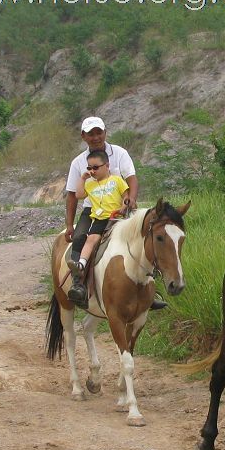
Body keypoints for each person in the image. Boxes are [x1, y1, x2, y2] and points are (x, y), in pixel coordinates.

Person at [64, 116, 166, 309]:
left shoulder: (119, 153)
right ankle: (79, 285)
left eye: (98, 132)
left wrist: (131, 199)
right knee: (79, 237)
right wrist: (69, 224)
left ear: (105, 132)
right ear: (83, 136)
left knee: (146, 239)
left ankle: (152, 289)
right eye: (91, 134)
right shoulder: (78, 163)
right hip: (93, 209)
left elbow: (131, 179)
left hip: (121, 207)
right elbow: (72, 195)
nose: (95, 137)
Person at [67, 150, 129, 305]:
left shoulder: (117, 180)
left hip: (116, 217)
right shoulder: (90, 184)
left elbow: (126, 195)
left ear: (107, 166)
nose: (92, 171)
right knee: (91, 239)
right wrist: (83, 178)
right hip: (99, 218)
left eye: (95, 167)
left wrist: (123, 206)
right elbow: (79, 195)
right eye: (89, 168)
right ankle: (80, 264)